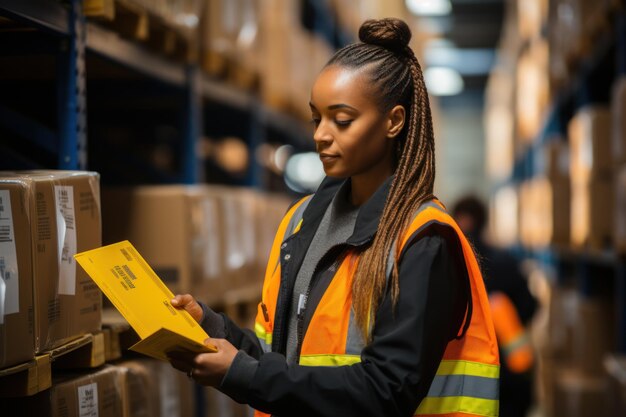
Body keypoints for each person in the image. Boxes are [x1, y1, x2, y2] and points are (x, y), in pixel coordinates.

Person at [168, 18, 500, 417]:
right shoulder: (302, 220)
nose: (321, 135)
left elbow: (387, 391)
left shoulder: (424, 238)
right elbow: (283, 357)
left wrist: (245, 376)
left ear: (393, 121)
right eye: (316, 118)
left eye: (341, 120)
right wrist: (210, 327)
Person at [452, 195, 537, 417]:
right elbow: (531, 306)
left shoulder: (446, 264)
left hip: (462, 385)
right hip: (509, 378)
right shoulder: (506, 262)